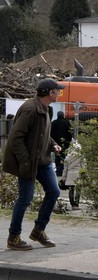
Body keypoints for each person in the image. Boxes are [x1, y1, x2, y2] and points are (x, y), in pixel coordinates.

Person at [3, 79, 65, 250]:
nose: (59, 93)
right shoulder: (30, 109)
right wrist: (25, 160)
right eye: (57, 91)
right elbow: (15, 138)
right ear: (50, 93)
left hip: (43, 160)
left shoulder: (45, 108)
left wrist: (53, 144)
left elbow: (42, 134)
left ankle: (38, 231)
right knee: (25, 199)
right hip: (29, 162)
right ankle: (13, 237)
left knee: (53, 192)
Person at [60, 137, 84, 209]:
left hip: (70, 174)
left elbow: (65, 169)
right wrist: (85, 176)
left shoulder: (68, 157)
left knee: (71, 190)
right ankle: (76, 204)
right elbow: (84, 167)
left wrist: (63, 178)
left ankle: (72, 204)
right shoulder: (81, 156)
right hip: (78, 174)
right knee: (78, 190)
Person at [50, 110, 73, 177]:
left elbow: (50, 133)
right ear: (63, 115)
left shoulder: (53, 123)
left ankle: (58, 170)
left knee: (57, 156)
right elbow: (70, 133)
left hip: (56, 143)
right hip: (65, 143)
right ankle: (63, 170)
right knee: (63, 157)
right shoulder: (67, 123)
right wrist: (69, 141)